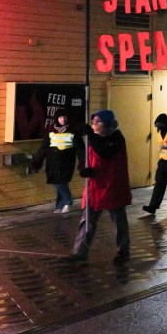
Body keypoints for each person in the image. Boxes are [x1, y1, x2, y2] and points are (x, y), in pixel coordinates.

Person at [70, 110, 131, 264]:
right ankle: (80, 251)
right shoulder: (94, 139)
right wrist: (84, 169)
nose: (95, 125)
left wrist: (90, 135)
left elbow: (105, 152)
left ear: (108, 124)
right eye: (93, 122)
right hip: (95, 186)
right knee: (87, 219)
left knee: (119, 221)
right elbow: (87, 157)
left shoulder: (116, 138)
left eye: (98, 122)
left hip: (112, 186)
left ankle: (123, 250)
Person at [30, 108, 83, 213]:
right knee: (56, 182)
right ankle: (60, 205)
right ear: (56, 119)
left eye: (64, 117)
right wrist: (37, 161)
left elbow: (80, 149)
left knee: (60, 182)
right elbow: (43, 148)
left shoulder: (73, 132)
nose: (62, 119)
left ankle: (68, 201)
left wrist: (83, 162)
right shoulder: (51, 132)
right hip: (52, 162)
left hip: (66, 162)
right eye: (60, 117)